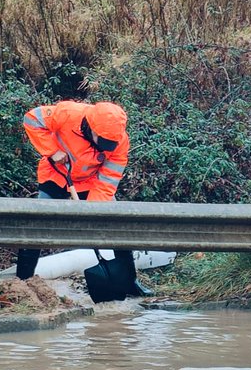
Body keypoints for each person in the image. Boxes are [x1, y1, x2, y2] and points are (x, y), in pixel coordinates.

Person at [16, 100, 152, 297]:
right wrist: (53, 151)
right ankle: (23, 283)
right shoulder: (68, 114)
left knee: (119, 225)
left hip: (90, 182)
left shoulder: (120, 142)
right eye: (103, 141)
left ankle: (129, 282)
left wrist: (92, 211)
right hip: (57, 174)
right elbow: (31, 119)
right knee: (37, 223)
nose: (107, 147)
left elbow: (108, 180)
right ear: (91, 128)